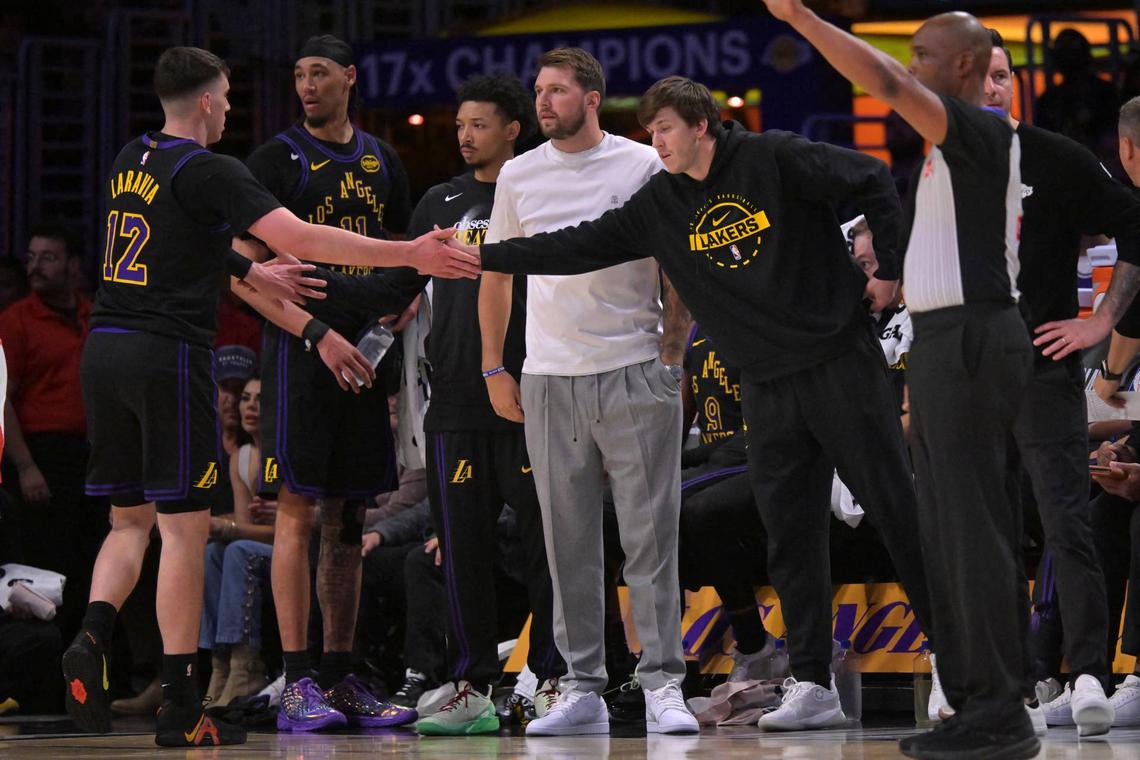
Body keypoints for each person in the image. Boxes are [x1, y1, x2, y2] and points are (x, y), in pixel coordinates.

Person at [462, 71, 935, 734]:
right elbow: (577, 244)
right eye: (648, 132)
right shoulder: (660, 204)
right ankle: (812, 680)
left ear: (700, 125)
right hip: (765, 383)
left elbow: (873, 178)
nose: (655, 144)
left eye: (663, 130)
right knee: (790, 536)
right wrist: (482, 256)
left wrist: (888, 267)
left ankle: (956, 662)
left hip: (838, 364)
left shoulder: (776, 157)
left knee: (895, 508)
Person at [60, 45, 477, 748]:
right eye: (225, 97)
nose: (229, 107)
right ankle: (181, 704)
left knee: (128, 525)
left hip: (104, 350)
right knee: (184, 534)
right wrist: (413, 254)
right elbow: (300, 234)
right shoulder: (216, 166)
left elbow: (177, 235)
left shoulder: (132, 155)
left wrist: (246, 270)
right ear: (205, 102)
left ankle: (94, 632)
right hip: (168, 354)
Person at [760, 3, 1033, 756]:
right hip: (950, 339)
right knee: (949, 530)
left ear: (966, 69)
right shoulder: (949, 147)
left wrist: (800, 19)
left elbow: (876, 76)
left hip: (973, 335)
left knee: (975, 534)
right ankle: (981, 700)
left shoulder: (978, 129)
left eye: (922, 54)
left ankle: (1003, 710)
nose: (908, 67)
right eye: (909, 55)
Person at [476, 48, 697, 737]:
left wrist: (671, 352)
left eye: (558, 91)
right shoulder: (518, 174)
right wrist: (494, 366)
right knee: (565, 540)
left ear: (593, 98)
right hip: (548, 374)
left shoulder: (640, 164)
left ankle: (663, 682)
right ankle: (581, 688)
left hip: (633, 365)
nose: (543, 102)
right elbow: (497, 273)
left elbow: (678, 264)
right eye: (539, 91)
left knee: (649, 536)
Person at [236, 34, 424, 733]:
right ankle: (296, 679)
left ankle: (342, 674)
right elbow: (240, 260)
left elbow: (404, 252)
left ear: (349, 76)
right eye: (297, 75)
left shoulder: (381, 159)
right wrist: (311, 327)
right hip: (299, 357)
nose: (306, 85)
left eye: (319, 73)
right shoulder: (276, 159)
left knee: (348, 520)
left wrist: (396, 309)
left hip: (365, 361)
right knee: (298, 510)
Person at [981, 31, 1140, 736]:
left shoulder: (1055, 157)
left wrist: (1100, 321)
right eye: (979, 75)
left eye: (1002, 74)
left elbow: (1136, 229)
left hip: (1043, 367)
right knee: (982, 533)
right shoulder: (936, 172)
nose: (992, 87)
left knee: (1066, 522)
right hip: (965, 376)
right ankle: (1001, 685)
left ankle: (1086, 676)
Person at [0, 223, 105, 644]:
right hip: (42, 456)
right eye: (31, 257)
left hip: (93, 455)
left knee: (93, 560)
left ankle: (97, 664)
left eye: (48, 257)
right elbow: (2, 399)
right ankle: (50, 665)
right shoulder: (15, 320)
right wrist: (26, 466)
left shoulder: (92, 313)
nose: (35, 267)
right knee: (50, 564)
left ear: (74, 265)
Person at [201, 375, 276, 708]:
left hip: (300, 548)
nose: (250, 406)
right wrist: (223, 527)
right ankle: (221, 666)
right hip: (260, 543)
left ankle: (247, 666)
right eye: (246, 398)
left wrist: (225, 526)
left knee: (236, 548)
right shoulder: (242, 457)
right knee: (212, 552)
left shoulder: (283, 450)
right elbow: (246, 524)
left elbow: (292, 531)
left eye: (260, 399)